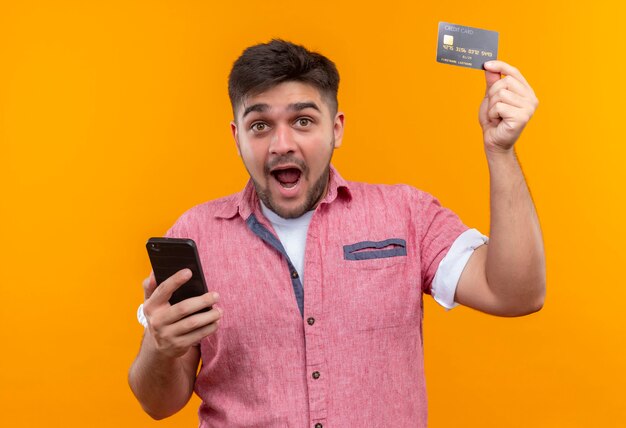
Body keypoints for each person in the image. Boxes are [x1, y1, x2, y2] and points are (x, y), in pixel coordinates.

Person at [128, 39, 545, 427]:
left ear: (337, 129)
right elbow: (158, 404)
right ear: (237, 137)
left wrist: (501, 150)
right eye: (260, 126)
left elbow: (514, 293)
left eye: (303, 120)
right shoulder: (195, 235)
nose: (282, 144)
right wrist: (159, 347)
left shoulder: (406, 214)